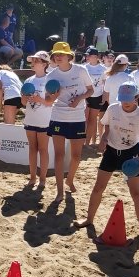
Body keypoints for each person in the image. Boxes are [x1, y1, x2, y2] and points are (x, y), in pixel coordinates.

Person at [74, 82, 139, 239]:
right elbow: (107, 125)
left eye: (129, 99)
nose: (126, 103)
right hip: (111, 151)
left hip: (131, 154)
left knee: (136, 193)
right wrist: (103, 137)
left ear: (136, 97)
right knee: (98, 187)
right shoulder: (113, 108)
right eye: (123, 99)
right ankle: (89, 219)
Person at [47, 42, 93, 201]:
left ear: (70, 56)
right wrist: (54, 95)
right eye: (55, 54)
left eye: (61, 54)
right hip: (58, 116)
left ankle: (70, 180)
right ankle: (59, 191)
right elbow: (48, 99)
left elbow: (91, 90)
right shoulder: (51, 75)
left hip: (77, 117)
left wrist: (79, 99)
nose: (58, 57)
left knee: (76, 155)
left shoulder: (80, 70)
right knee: (59, 155)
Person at [22, 51, 56, 187]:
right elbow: (23, 103)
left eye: (36, 61)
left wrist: (38, 99)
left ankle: (42, 179)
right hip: (30, 118)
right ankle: (32, 177)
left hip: (44, 120)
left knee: (43, 149)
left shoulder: (49, 80)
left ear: (44, 64)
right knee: (32, 149)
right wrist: (25, 98)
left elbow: (51, 102)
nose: (33, 63)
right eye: (33, 61)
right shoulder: (29, 80)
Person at [83, 47, 106, 147]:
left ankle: (87, 143)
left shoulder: (103, 69)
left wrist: (104, 97)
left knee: (93, 120)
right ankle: (81, 141)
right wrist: (83, 97)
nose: (88, 57)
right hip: (85, 96)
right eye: (87, 55)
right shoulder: (84, 67)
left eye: (90, 55)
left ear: (96, 57)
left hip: (97, 96)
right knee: (84, 119)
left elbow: (105, 84)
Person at [0, 53, 23, 124]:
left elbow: (0, 89)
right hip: (21, 96)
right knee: (11, 120)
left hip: (11, 96)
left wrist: (0, 104)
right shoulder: (13, 74)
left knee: (8, 123)